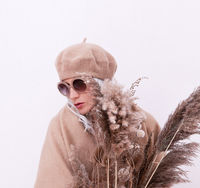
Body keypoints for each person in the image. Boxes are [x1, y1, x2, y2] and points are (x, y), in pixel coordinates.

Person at [34, 39, 161, 188]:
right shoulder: (61, 126)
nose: (73, 95)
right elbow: (52, 182)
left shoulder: (143, 122)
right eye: (64, 87)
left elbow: (159, 177)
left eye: (79, 84)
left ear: (101, 84)